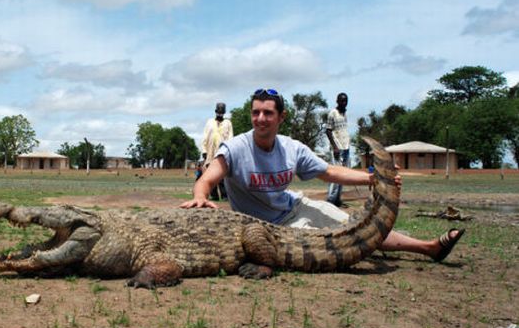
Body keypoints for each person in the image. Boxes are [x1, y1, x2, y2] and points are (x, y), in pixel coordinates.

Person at [181, 88, 465, 262]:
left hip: (296, 207)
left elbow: (329, 172)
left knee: (358, 225)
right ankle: (428, 248)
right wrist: (199, 196)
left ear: (281, 118)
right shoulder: (236, 147)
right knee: (346, 240)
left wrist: (371, 178)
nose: (261, 119)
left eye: (268, 113)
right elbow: (209, 177)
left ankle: (428, 248)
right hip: (265, 230)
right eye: (256, 113)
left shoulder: (292, 148)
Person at [201, 102, 233, 200]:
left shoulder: (228, 123)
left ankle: (224, 196)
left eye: (221, 112)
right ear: (216, 111)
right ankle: (214, 195)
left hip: (222, 152)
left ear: (224, 113)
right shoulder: (209, 122)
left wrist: (228, 151)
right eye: (218, 112)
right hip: (210, 152)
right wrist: (204, 151)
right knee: (210, 174)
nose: (220, 114)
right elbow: (205, 137)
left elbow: (230, 137)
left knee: (222, 175)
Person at [325, 92, 350, 207]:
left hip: (346, 148)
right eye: (342, 101)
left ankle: (337, 199)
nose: (344, 103)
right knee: (336, 175)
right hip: (337, 148)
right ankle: (330, 200)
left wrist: (348, 146)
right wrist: (335, 147)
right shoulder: (332, 113)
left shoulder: (345, 114)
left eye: (345, 101)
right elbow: (328, 130)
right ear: (337, 101)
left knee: (343, 175)